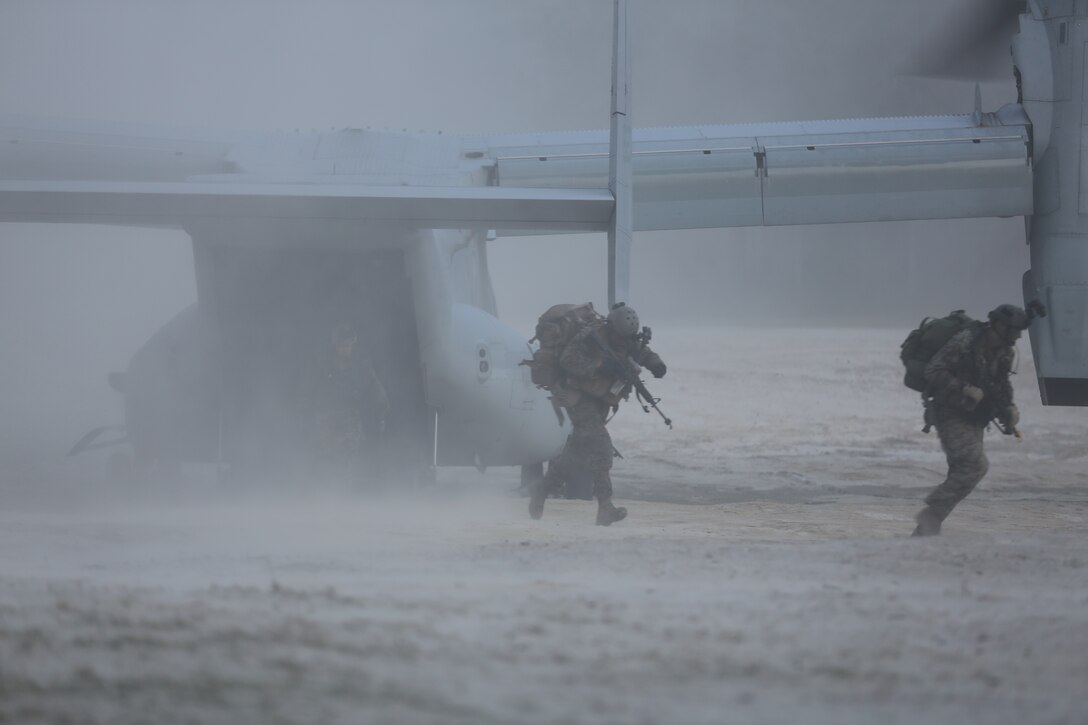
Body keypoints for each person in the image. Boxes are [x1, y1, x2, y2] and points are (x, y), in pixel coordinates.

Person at [529, 303, 667, 526]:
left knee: (574, 457)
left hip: (599, 401)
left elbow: (641, 351)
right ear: (611, 328)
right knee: (602, 448)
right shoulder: (590, 337)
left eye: (627, 339)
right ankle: (605, 508)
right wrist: (600, 367)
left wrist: (656, 365)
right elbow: (567, 360)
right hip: (578, 398)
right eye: (621, 337)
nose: (624, 342)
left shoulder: (625, 338)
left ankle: (541, 490)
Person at [912, 304, 1029, 536]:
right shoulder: (966, 342)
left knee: (960, 473)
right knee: (975, 466)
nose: (1018, 335)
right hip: (950, 413)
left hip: (975, 418)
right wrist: (963, 388)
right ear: (1000, 325)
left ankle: (922, 534)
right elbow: (933, 371)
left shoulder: (1006, 352)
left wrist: (1009, 408)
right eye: (1015, 329)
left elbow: (1002, 384)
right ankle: (931, 514)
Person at [303, 323, 390, 478]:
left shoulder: (361, 366)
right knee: (327, 456)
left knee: (351, 451)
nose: (346, 349)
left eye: (349, 345)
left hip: (350, 415)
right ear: (336, 346)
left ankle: (349, 487)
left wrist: (382, 409)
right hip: (326, 416)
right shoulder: (323, 365)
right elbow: (310, 387)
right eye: (342, 345)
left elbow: (374, 386)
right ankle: (328, 489)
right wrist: (305, 408)